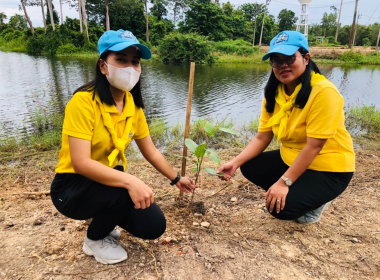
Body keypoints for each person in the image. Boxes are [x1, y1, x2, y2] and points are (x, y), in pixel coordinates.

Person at [50, 29, 196, 265]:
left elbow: (150, 150)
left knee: (154, 226)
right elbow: (81, 162)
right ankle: (94, 240)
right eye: (121, 59)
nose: (129, 67)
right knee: (126, 187)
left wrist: (176, 178)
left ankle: (104, 220)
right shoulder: (83, 102)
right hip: (70, 188)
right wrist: (131, 181)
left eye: (135, 62)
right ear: (103, 65)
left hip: (101, 181)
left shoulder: (132, 106)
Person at [218, 31, 355, 224]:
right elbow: (262, 137)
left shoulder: (324, 93)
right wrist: (235, 162)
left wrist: (283, 183)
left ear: (306, 58)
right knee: (249, 166)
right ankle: (301, 191)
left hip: (329, 169)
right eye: (276, 60)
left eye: (290, 58)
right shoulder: (274, 93)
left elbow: (314, 147)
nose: (283, 65)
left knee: (281, 210)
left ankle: (315, 202)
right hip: (292, 158)